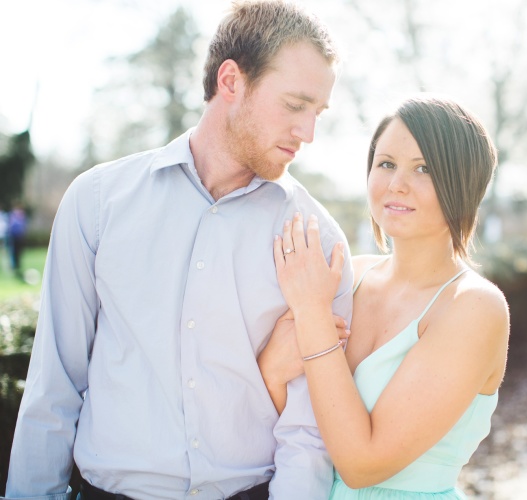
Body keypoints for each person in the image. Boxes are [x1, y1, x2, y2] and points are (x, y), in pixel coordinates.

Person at [4, 1, 353, 499]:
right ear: (231, 81)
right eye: (295, 105)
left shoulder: (318, 241)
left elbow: (308, 433)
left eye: (317, 113)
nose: (309, 133)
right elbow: (54, 384)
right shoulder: (98, 202)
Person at [261, 94, 510, 498]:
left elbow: (363, 465)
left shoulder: (474, 307)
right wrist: (271, 369)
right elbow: (286, 419)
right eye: (387, 163)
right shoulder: (345, 275)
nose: (397, 184)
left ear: (464, 183)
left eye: (424, 168)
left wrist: (312, 314)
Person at [7, 204, 27, 278]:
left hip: (19, 237)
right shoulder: (13, 216)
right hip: (14, 237)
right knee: (13, 252)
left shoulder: (22, 216)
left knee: (19, 253)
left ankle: (18, 266)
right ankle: (14, 266)